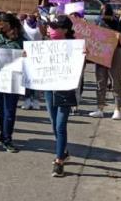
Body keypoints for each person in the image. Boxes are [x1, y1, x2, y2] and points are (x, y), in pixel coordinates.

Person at [45, 15, 78, 178]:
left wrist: (83, 56)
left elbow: (79, 66)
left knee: (60, 125)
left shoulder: (75, 46)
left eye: (55, 27)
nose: (51, 31)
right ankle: (63, 151)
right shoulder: (46, 45)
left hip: (65, 89)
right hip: (49, 88)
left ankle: (59, 162)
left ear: (65, 30)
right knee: (53, 122)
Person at [0, 13, 24, 152]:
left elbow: (29, 55)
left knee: (9, 110)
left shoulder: (20, 40)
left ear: (10, 24)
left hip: (13, 79)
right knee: (1, 109)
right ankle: (3, 134)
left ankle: (8, 139)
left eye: (2, 22)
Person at [91, 5, 121, 120]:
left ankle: (117, 109)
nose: (105, 18)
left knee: (116, 80)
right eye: (103, 16)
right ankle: (100, 108)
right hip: (101, 53)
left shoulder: (118, 23)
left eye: (107, 16)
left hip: (115, 52)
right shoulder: (97, 22)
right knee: (101, 81)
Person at [19, 10, 44, 110]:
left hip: (38, 53)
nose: (30, 14)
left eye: (32, 12)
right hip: (26, 53)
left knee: (36, 76)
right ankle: (27, 99)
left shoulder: (40, 23)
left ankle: (36, 100)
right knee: (27, 76)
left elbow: (43, 33)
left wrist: (39, 21)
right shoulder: (23, 23)